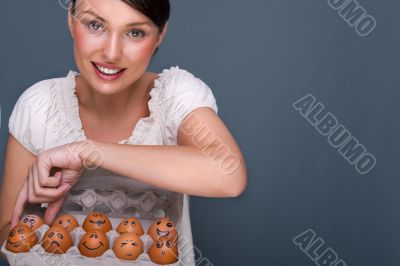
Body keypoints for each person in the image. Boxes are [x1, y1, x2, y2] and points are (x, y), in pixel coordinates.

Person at [0, 0, 247, 263]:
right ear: (71, 20)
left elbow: (228, 173)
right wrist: (31, 222)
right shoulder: (40, 105)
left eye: (135, 32)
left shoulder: (175, 95)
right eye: (95, 25)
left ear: (161, 34)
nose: (112, 52)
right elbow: (5, 236)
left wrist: (86, 151)